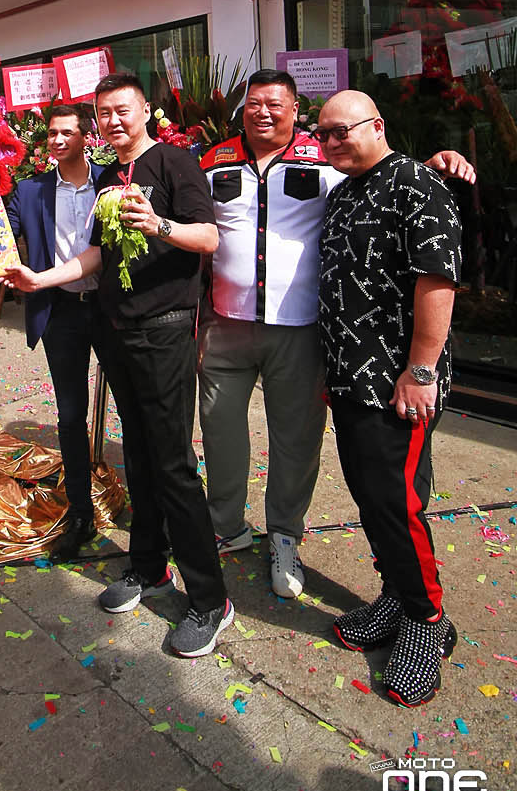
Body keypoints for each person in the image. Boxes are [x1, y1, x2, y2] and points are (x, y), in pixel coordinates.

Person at [198, 70, 475, 599]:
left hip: (302, 332)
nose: (263, 112)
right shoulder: (212, 161)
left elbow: (389, 182)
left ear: (294, 109)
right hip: (228, 326)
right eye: (253, 103)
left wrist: (432, 166)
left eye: (275, 104)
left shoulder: (325, 161)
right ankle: (225, 524)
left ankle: (284, 535)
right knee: (220, 431)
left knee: (297, 441)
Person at [5, 73, 231, 658]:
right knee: (137, 457)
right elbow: (96, 254)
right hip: (118, 332)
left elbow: (209, 237)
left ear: (146, 112)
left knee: (174, 464)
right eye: (104, 113)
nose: (112, 121)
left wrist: (160, 226)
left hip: (166, 332)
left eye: (121, 111)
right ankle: (149, 567)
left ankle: (210, 599)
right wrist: (41, 277)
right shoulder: (109, 175)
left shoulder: (176, 163)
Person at [316, 91, 461, 707]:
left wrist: (421, 371)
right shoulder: (346, 191)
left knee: (396, 504)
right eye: (322, 135)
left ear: (378, 127)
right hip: (350, 380)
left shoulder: (418, 185)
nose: (331, 143)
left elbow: (437, 280)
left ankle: (427, 622)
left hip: (397, 385)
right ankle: (397, 596)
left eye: (342, 132)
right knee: (373, 501)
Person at [6, 104, 108, 561]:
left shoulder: (113, 181)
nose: (58, 139)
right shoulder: (29, 191)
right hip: (61, 313)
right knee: (71, 415)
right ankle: (80, 511)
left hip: (111, 309)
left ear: (87, 136)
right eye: (52, 133)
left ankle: (153, 507)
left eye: (68, 132)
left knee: (136, 408)